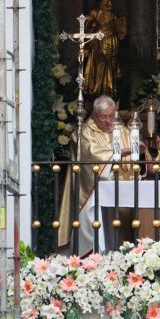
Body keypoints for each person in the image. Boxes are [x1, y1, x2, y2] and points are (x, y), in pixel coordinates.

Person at [57, 95, 138, 254]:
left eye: (111, 116)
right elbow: (90, 153)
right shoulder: (83, 133)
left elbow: (138, 158)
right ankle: (93, 259)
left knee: (128, 219)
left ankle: (125, 256)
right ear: (94, 115)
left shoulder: (124, 131)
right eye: (103, 117)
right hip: (92, 192)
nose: (108, 121)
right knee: (92, 222)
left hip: (122, 191)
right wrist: (120, 152)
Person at [82, 0, 127, 96]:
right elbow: (87, 31)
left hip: (112, 42)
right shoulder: (94, 12)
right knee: (99, 68)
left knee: (111, 68)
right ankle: (97, 93)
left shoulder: (114, 13)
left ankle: (110, 92)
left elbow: (121, 30)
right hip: (98, 44)